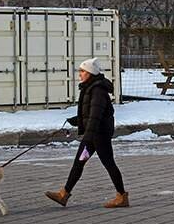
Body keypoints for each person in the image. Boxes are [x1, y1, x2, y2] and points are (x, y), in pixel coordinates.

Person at [45, 58, 128, 208]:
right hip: (93, 135)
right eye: (80, 71)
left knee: (108, 163)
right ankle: (64, 194)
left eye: (83, 71)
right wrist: (76, 120)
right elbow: (90, 113)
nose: (80, 74)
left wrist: (88, 136)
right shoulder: (90, 88)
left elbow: (96, 116)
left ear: (91, 73)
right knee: (79, 163)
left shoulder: (97, 91)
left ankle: (122, 196)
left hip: (99, 135)